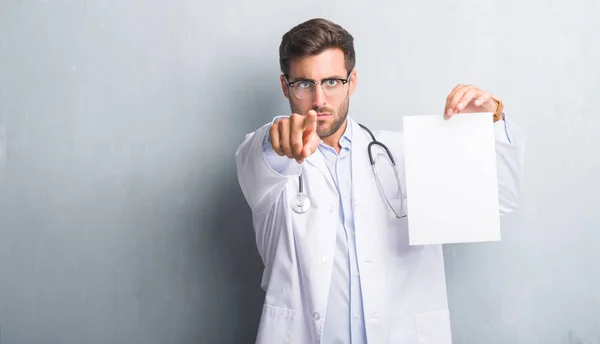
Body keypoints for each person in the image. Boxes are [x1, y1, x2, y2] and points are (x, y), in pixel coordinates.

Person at [235, 18, 526, 344]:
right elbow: (260, 157)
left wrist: (490, 123)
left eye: (332, 82)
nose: (319, 99)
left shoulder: (404, 154)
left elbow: (497, 201)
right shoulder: (267, 160)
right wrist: (277, 139)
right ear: (285, 86)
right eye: (304, 84)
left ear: (352, 81)